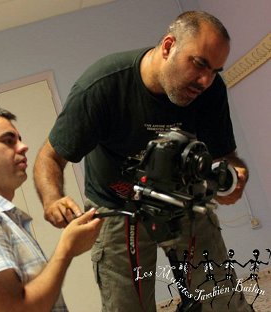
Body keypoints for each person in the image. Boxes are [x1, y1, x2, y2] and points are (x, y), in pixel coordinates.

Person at [34, 11, 252, 312]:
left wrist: (234, 176)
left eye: (215, 70)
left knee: (223, 303)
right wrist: (51, 199)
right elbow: (50, 155)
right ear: (167, 46)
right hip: (117, 208)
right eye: (199, 63)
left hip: (183, 202)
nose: (205, 80)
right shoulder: (102, 85)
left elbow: (224, 156)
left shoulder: (211, 91)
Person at [0, 107, 103, 311]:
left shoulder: (1, 216)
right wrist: (66, 250)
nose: (23, 147)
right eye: (8, 140)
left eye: (19, 139)